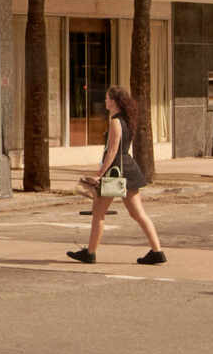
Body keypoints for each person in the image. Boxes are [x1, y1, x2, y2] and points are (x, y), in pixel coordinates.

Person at [69, 86, 165, 266]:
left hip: (115, 171)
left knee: (98, 213)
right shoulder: (127, 120)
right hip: (129, 169)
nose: (104, 101)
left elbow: (112, 151)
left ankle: (90, 253)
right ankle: (157, 251)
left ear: (113, 102)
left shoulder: (115, 121)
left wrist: (99, 174)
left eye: (107, 98)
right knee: (138, 213)